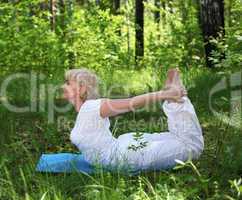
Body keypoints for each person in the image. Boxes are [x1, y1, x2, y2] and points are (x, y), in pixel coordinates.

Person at [61, 68, 204, 172]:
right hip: (122, 148)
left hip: (124, 156)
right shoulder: (85, 110)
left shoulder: (91, 107)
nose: (63, 85)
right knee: (179, 139)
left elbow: (131, 103)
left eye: (67, 82)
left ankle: (175, 96)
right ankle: (173, 97)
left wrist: (163, 94)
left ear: (81, 88)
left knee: (192, 147)